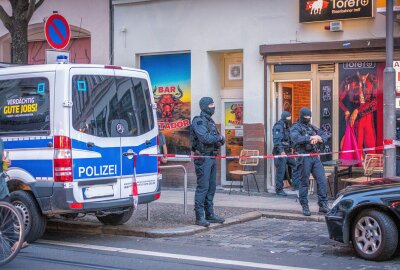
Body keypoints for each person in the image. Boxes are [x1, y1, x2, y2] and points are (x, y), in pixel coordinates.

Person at [191, 97, 225, 227]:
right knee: (203, 187)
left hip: (211, 157)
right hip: (203, 158)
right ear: (205, 106)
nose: (213, 107)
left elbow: (220, 140)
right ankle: (199, 217)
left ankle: (209, 214)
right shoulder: (198, 121)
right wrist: (218, 138)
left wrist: (218, 138)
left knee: (211, 187)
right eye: (211, 104)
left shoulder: (210, 121)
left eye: (213, 104)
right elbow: (205, 138)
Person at [290, 108, 330, 216]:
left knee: (322, 180)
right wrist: (310, 138)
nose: (307, 119)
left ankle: (323, 205)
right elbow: (296, 138)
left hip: (314, 156)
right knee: (304, 182)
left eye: (309, 117)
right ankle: (305, 205)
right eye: (306, 117)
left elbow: (325, 135)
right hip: (303, 156)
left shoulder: (311, 127)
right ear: (302, 116)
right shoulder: (295, 127)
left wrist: (319, 138)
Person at [272, 111, 299, 196]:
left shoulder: (287, 126)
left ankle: (295, 185)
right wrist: (281, 151)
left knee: (295, 165)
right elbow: (277, 140)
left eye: (290, 117)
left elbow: (289, 139)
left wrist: (294, 148)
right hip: (280, 152)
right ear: (284, 117)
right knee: (281, 171)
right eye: (288, 118)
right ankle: (279, 190)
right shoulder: (278, 126)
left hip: (287, 151)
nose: (289, 119)